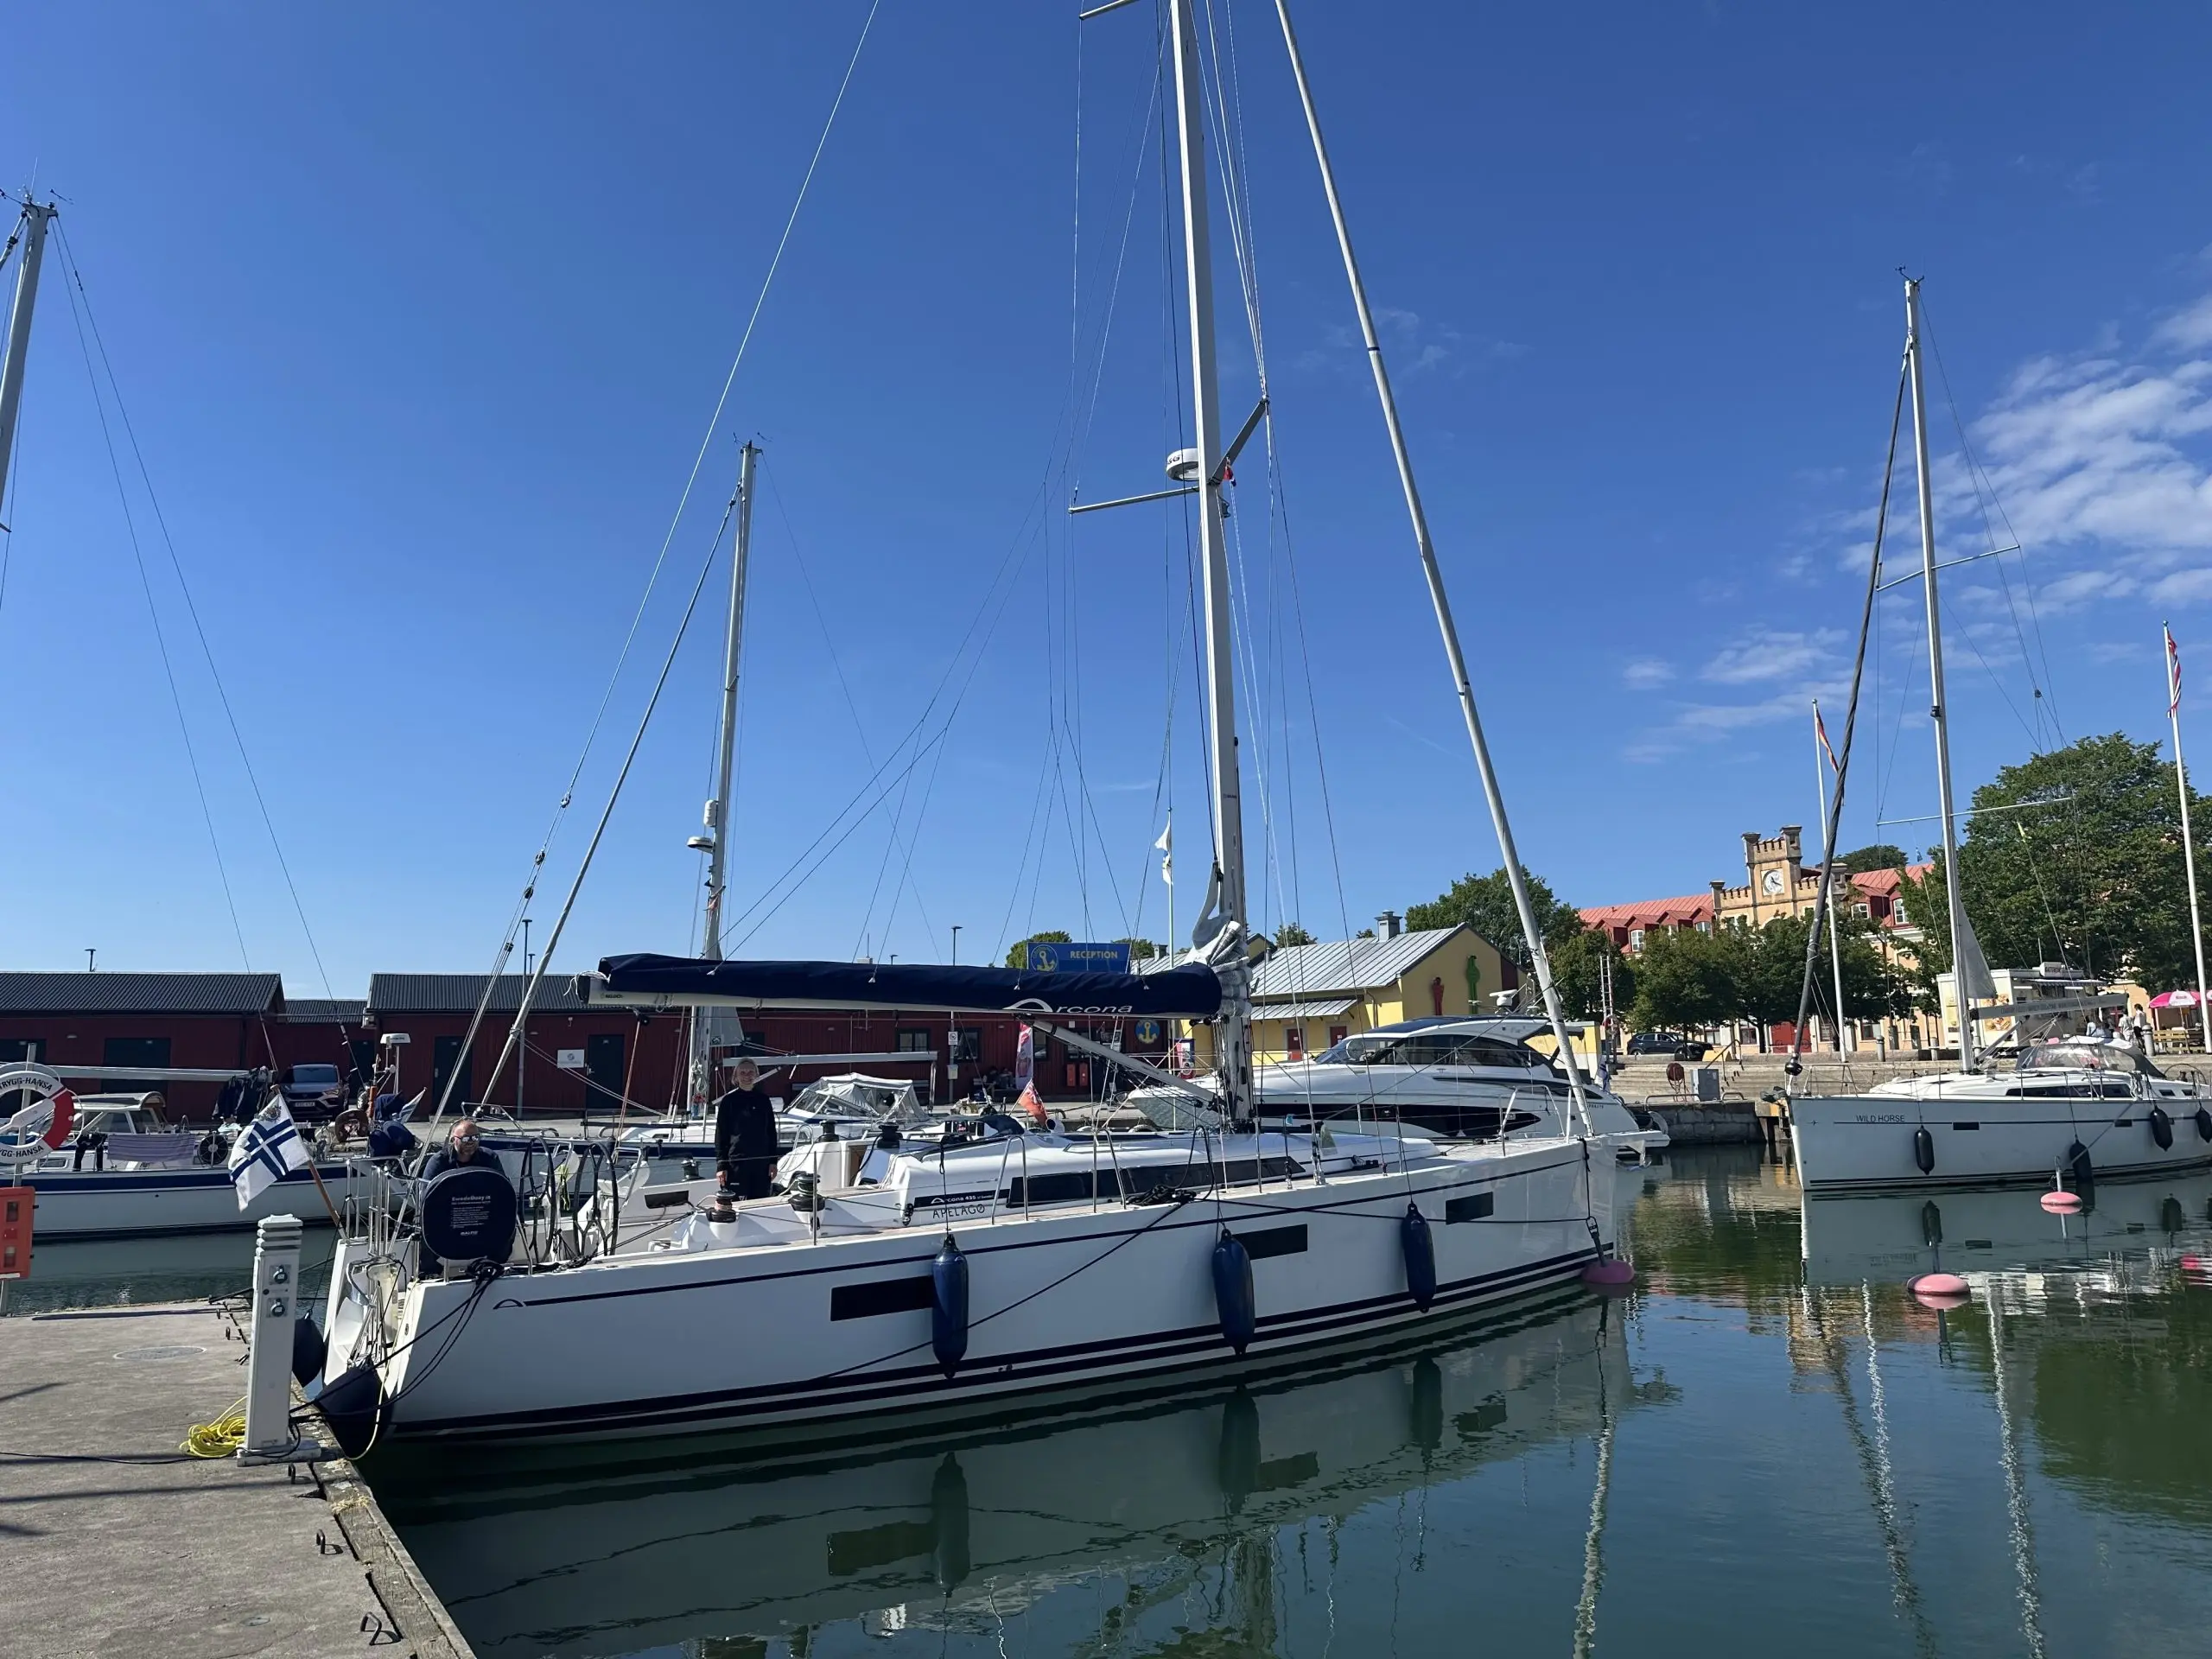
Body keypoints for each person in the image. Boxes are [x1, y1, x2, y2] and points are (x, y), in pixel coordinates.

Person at [715, 1058, 781, 1200]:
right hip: (736, 1163)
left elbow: (771, 1132)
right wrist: (721, 1165)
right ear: (736, 1077)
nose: (747, 1076)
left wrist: (773, 1162)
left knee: (759, 1203)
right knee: (735, 1203)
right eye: (742, 1073)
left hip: (761, 1162)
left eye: (750, 1072)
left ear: (756, 1075)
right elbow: (721, 1134)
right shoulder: (729, 1101)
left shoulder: (763, 1100)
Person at [422, 1117, 489, 1180]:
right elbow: (427, 1190)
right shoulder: (438, 1162)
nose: (471, 1142)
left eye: (475, 1137)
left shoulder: (489, 1158)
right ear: (453, 1140)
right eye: (465, 1138)